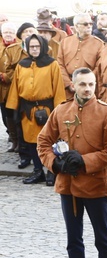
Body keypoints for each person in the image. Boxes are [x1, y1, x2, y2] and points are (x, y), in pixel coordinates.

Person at [36, 67, 107, 258]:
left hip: (94, 186)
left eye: (91, 84)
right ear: (73, 85)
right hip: (68, 187)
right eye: (82, 84)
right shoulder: (61, 111)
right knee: (73, 239)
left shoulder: (106, 112)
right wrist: (56, 165)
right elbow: (43, 142)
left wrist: (85, 161)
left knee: (102, 238)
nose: (87, 89)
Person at [6, 34, 66, 185]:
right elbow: (15, 88)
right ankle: (38, 171)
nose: (34, 49)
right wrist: (13, 108)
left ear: (43, 47)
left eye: (37, 46)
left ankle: (51, 171)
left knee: (50, 141)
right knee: (31, 142)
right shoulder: (22, 64)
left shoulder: (52, 64)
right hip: (27, 110)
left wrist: (59, 111)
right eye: (31, 46)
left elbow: (58, 87)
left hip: (47, 109)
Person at [57, 13, 104, 99]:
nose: (89, 26)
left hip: (88, 89)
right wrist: (68, 83)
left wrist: (84, 82)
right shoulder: (65, 42)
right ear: (76, 26)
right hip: (67, 90)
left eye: (91, 24)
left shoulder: (99, 44)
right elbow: (60, 64)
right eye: (85, 24)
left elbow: (99, 67)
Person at [1, 22, 24, 153]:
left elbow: (18, 69)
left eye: (10, 32)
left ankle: (20, 142)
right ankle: (13, 139)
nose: (8, 35)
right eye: (5, 32)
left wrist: (5, 75)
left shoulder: (20, 46)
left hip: (15, 87)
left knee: (17, 116)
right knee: (6, 115)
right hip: (2, 89)